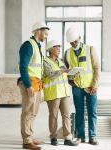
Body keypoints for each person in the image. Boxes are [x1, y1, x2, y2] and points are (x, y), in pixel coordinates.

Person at [64, 28, 101, 145]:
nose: (74, 44)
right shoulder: (67, 53)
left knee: (92, 112)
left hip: (90, 87)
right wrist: (70, 80)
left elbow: (97, 68)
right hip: (77, 88)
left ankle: (92, 136)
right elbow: (66, 71)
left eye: (75, 41)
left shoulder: (90, 49)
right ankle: (80, 136)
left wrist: (95, 85)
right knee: (79, 112)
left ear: (79, 38)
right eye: (71, 42)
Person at [17, 22, 49, 150]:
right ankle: (27, 141)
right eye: (45, 34)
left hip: (36, 84)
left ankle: (30, 136)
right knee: (28, 112)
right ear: (39, 31)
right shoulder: (28, 46)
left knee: (33, 112)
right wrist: (28, 85)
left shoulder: (37, 46)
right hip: (29, 84)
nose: (46, 37)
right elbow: (23, 67)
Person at [43, 40, 78, 147]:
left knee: (66, 115)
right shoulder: (46, 62)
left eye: (59, 49)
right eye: (57, 49)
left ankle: (68, 138)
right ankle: (53, 137)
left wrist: (73, 76)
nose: (59, 51)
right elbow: (51, 75)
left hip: (64, 93)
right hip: (53, 94)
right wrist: (64, 71)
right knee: (53, 116)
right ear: (51, 50)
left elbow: (65, 76)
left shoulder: (61, 61)